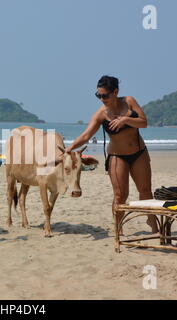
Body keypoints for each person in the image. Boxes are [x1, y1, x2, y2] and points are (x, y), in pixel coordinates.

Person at [65, 75, 158, 234]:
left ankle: (153, 224)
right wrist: (70, 148)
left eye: (105, 95)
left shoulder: (129, 101)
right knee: (120, 195)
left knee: (145, 190)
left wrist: (124, 120)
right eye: (98, 95)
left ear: (115, 92)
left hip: (139, 153)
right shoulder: (101, 114)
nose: (101, 99)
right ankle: (118, 229)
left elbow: (144, 122)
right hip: (117, 156)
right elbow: (86, 135)